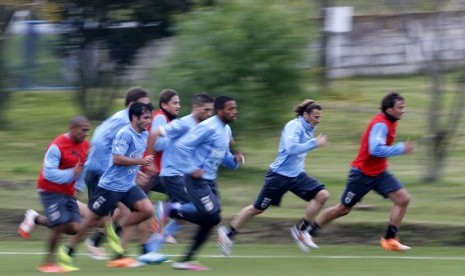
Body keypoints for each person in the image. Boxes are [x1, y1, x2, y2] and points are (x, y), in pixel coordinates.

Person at [217, 99, 330, 255]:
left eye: (320, 117)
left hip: (297, 175)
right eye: (316, 117)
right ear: (305, 115)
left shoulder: (308, 127)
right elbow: (291, 149)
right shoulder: (293, 126)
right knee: (257, 209)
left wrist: (313, 141)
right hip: (279, 176)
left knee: (322, 195)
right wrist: (314, 143)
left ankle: (301, 230)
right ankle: (228, 234)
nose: (318, 120)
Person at [309, 91, 414, 252]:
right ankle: (309, 232)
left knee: (403, 199)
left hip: (379, 173)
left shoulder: (391, 120)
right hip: (361, 174)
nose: (403, 110)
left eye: (403, 107)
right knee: (343, 209)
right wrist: (400, 148)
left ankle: (390, 239)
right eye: (400, 107)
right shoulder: (381, 124)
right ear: (389, 109)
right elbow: (375, 150)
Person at [60, 102, 155, 269]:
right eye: (146, 117)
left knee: (147, 210)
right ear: (134, 117)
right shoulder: (125, 134)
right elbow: (117, 159)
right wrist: (140, 161)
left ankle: (116, 230)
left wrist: (138, 170)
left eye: (150, 117)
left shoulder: (144, 134)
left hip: (127, 185)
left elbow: (132, 157)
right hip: (110, 186)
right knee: (91, 220)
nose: (149, 120)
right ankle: (68, 250)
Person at [154, 96, 244, 270]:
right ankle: (171, 209)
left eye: (235, 108)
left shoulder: (226, 131)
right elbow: (182, 146)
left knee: (212, 220)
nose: (234, 112)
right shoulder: (207, 127)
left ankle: (184, 260)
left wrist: (234, 161)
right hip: (196, 180)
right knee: (211, 216)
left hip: (210, 181)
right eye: (230, 109)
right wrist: (192, 168)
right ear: (220, 111)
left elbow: (222, 156)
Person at [137, 92, 214, 264]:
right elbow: (155, 135)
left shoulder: (198, 126)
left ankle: (152, 248)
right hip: (171, 174)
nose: (210, 114)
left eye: (211, 111)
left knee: (183, 216)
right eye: (206, 110)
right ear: (197, 108)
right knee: (194, 208)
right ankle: (166, 209)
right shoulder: (180, 123)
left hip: (181, 174)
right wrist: (150, 161)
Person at [76, 87, 151, 259]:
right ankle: (84, 241)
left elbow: (125, 150)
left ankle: (108, 246)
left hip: (108, 173)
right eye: (144, 104)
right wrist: (112, 169)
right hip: (100, 172)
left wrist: (133, 170)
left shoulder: (127, 121)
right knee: (97, 216)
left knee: (122, 212)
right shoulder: (123, 122)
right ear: (132, 104)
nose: (147, 108)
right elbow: (99, 143)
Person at [18, 116, 91, 273]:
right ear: (72, 128)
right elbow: (48, 173)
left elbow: (82, 167)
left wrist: (78, 186)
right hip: (49, 190)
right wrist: (72, 174)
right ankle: (47, 263)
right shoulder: (57, 146)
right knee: (58, 225)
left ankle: (35, 218)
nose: (85, 134)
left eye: (87, 131)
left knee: (74, 227)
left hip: (67, 191)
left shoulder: (85, 145)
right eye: (82, 130)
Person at [137, 88, 181, 253]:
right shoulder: (161, 117)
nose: (178, 106)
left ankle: (147, 249)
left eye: (179, 103)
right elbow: (157, 143)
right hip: (150, 171)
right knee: (179, 192)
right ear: (164, 104)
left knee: (137, 211)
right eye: (175, 103)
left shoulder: (165, 119)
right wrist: (175, 137)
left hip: (152, 170)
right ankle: (160, 223)